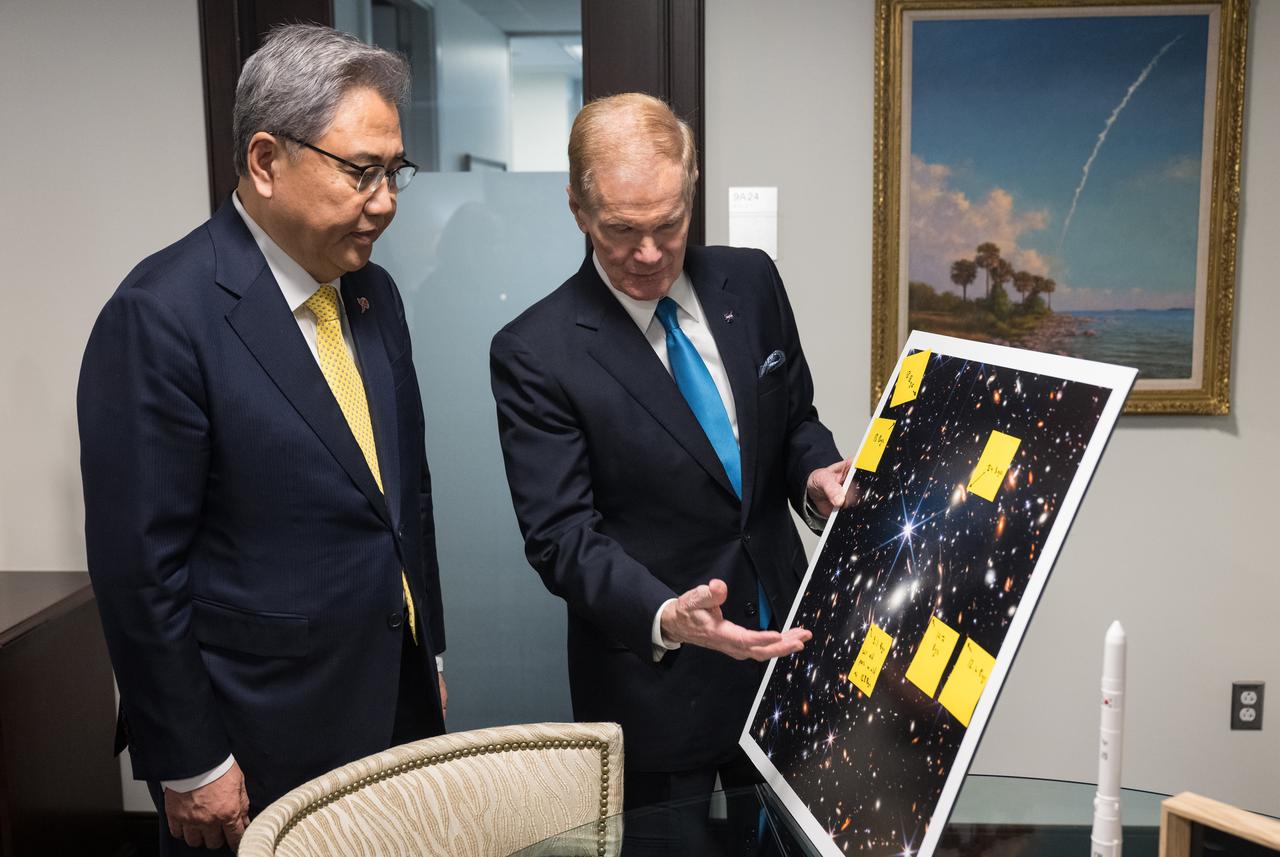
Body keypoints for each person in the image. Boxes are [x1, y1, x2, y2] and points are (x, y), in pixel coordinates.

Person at [78, 25, 446, 854]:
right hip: (254, 741)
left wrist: (431, 651)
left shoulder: (372, 294)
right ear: (266, 161)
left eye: (395, 172)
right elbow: (141, 569)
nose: (385, 200)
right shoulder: (162, 316)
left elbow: (405, 494)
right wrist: (191, 760)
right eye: (361, 171)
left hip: (389, 706)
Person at [489, 93, 851, 820]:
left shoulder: (750, 281)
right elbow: (561, 537)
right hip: (656, 686)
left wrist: (816, 476)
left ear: (690, 192)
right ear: (577, 208)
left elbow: (796, 419)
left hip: (788, 649)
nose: (649, 253)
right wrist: (664, 612)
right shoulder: (536, 350)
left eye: (668, 225)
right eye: (623, 230)